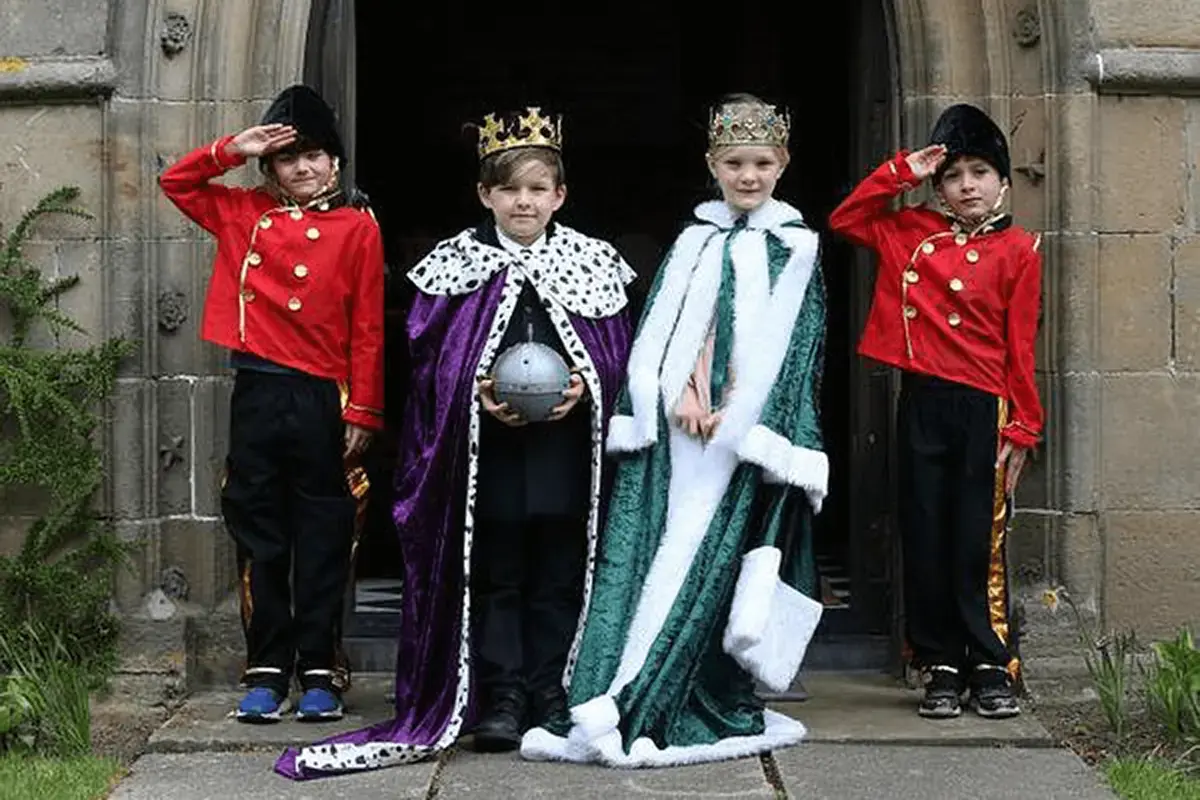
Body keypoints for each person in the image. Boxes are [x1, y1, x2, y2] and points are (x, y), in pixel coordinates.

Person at [275, 106, 635, 779]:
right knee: (496, 572)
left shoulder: (595, 263)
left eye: (537, 190)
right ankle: (498, 696)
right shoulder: (453, 266)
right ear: (484, 195)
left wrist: (588, 381)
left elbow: (621, 358)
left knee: (560, 570)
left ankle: (550, 688)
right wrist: (476, 388)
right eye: (510, 190)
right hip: (486, 453)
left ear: (560, 195)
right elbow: (429, 364)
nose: (523, 202)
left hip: (566, 454)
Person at [519, 93, 827, 768]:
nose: (748, 176)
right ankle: (617, 687)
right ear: (712, 165)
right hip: (680, 431)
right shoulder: (694, 242)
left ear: (782, 165)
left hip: (739, 436)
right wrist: (682, 393)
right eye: (735, 163)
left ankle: (675, 692)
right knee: (653, 558)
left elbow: (797, 348)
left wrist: (745, 412)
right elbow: (671, 331)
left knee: (711, 566)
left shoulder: (797, 250)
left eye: (761, 163)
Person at [158, 84, 385, 722]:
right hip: (258, 390)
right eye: (289, 158)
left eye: (316, 155)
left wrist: (363, 409)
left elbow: (367, 325)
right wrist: (235, 147)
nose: (304, 168)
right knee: (261, 533)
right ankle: (265, 667)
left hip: (322, 396)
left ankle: (320, 668)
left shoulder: (358, 229)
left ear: (336, 163)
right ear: (271, 168)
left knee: (324, 535)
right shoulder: (241, 212)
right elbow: (177, 183)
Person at [828, 103, 1043, 719]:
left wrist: (1024, 426)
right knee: (924, 533)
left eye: (980, 172)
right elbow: (846, 218)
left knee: (978, 537)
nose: (968, 185)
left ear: (1003, 180)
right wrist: (904, 169)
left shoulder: (1020, 250)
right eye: (953, 175)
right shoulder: (908, 231)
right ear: (939, 187)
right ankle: (939, 662)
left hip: (985, 407)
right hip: (923, 402)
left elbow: (1020, 345)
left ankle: (989, 661)